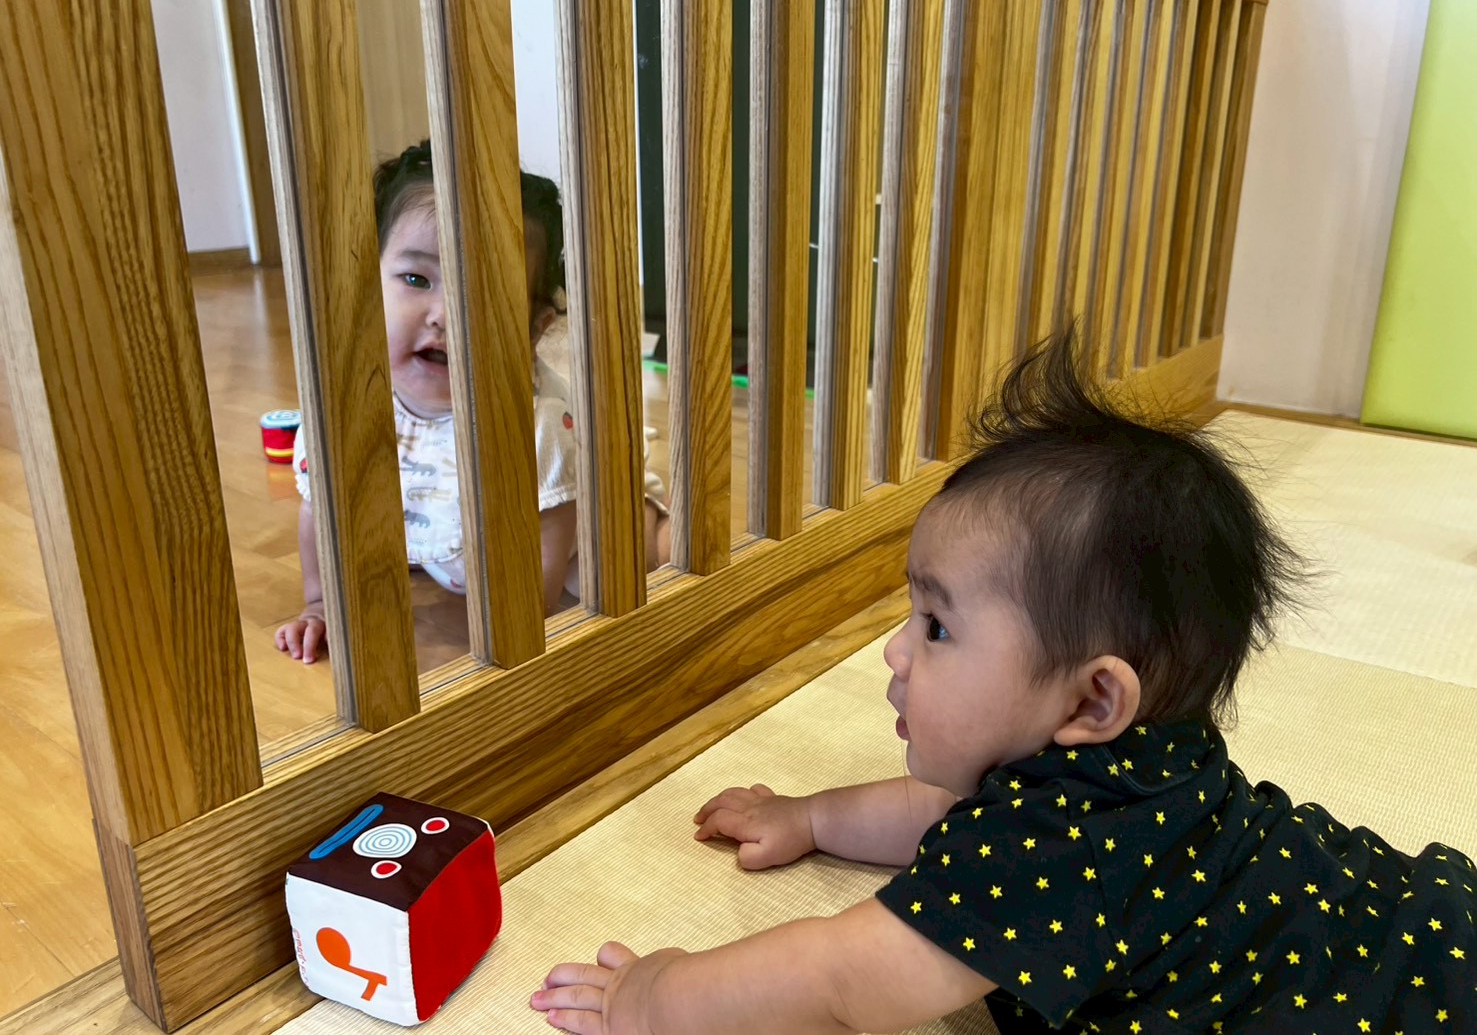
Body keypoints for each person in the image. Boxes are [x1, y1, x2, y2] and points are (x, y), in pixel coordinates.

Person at [531, 334, 1476, 1034]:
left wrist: (656, 998)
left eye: (937, 627)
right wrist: (812, 817)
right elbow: (949, 816)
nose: (895, 653)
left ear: (1092, 701)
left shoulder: (1067, 849)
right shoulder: (1130, 766)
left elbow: (845, 981)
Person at [275, 141, 669, 663]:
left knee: (622, 563)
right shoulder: (343, 407)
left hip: (574, 519)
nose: (443, 314)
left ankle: (663, 528)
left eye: (481, 295)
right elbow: (319, 510)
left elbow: (547, 542)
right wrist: (321, 602)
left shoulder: (538, 423)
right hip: (465, 537)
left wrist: (522, 624)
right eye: (416, 279)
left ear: (533, 329)